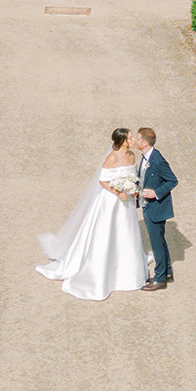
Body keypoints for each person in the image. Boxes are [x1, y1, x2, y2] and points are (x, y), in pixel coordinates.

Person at [34, 126, 149, 300]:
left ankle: (128, 269)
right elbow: (103, 180)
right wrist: (118, 192)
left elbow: (133, 177)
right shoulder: (112, 157)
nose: (133, 140)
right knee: (107, 233)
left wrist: (132, 189)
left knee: (126, 232)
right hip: (111, 201)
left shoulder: (132, 156)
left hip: (127, 203)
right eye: (130, 137)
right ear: (122, 141)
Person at [132, 126, 178, 292]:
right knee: (160, 241)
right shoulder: (146, 157)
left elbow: (172, 180)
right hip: (149, 206)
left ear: (144, 142)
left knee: (156, 244)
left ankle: (159, 279)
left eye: (137, 139)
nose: (135, 141)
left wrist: (156, 193)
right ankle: (166, 272)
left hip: (156, 208)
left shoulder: (157, 159)